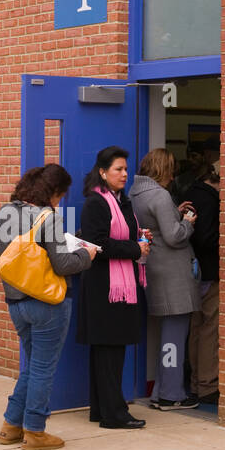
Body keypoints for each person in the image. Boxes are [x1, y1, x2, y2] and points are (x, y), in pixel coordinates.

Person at [0, 164, 95, 450]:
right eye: (60, 195)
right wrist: (86, 255)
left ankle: (11, 426)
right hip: (48, 303)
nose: (60, 201)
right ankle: (35, 431)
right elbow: (63, 265)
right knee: (42, 369)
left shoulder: (4, 212)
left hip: (16, 303)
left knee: (32, 366)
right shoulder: (48, 217)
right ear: (52, 193)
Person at [78, 145, 149, 429]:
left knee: (111, 351)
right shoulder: (95, 203)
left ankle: (102, 409)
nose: (124, 174)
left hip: (119, 285)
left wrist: (141, 236)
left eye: (125, 169)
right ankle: (114, 414)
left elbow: (122, 234)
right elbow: (98, 244)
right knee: (108, 351)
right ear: (102, 172)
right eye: (118, 169)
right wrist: (135, 248)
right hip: (104, 288)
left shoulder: (123, 201)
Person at [130, 148, 200, 411]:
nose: (173, 176)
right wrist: (187, 221)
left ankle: (162, 393)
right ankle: (171, 395)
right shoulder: (159, 195)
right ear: (163, 169)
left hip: (153, 269)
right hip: (172, 273)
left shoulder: (136, 192)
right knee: (174, 335)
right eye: (171, 169)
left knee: (167, 333)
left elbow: (156, 225)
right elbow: (172, 236)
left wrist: (173, 211)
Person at [185, 165, 220, 404]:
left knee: (196, 328)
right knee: (209, 329)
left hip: (193, 273)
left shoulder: (191, 194)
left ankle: (196, 382)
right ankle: (207, 386)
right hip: (208, 271)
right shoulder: (210, 200)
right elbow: (206, 238)